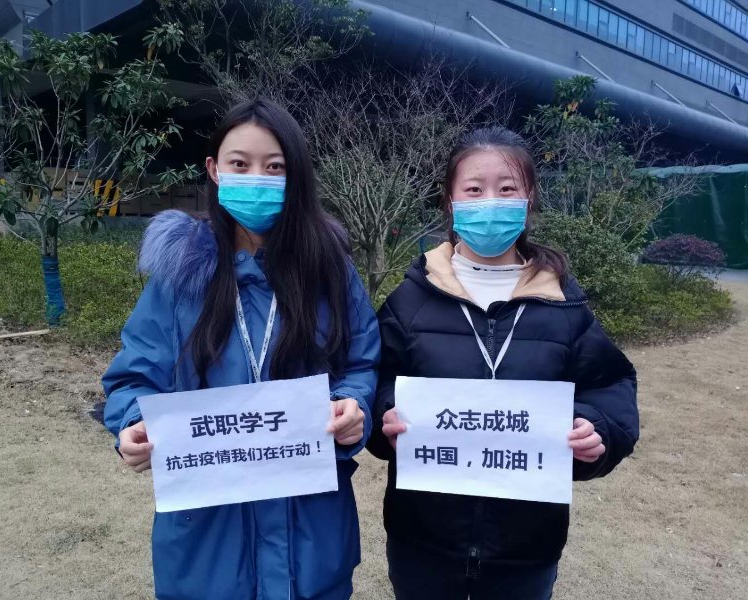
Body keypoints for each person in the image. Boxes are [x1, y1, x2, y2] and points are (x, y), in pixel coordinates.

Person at [102, 98, 380, 600]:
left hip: (311, 537)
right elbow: (133, 377)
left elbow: (360, 361)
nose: (258, 178)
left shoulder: (329, 269)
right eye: (240, 164)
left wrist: (352, 404)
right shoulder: (179, 275)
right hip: (207, 543)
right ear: (214, 170)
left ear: (296, 175)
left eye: (274, 167)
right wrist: (133, 423)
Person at [367, 126, 639, 600]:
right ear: (450, 201)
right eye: (474, 189)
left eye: (507, 188)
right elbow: (373, 379)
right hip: (423, 542)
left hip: (525, 548)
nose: (490, 202)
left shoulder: (563, 305)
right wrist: (384, 415)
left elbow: (609, 387)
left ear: (529, 199)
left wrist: (596, 429)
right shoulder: (410, 301)